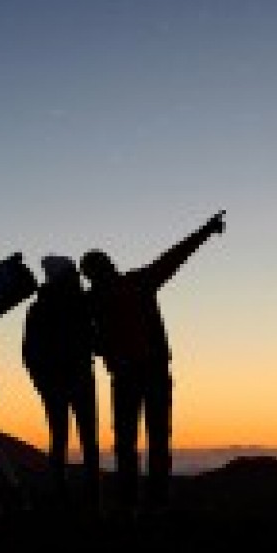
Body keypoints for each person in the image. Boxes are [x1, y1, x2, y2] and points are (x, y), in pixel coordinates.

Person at [79, 210, 225, 517]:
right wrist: (207, 230)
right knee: (156, 439)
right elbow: (174, 257)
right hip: (152, 373)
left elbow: (87, 340)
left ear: (90, 274)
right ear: (109, 266)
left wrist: (104, 349)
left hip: (127, 376)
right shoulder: (137, 282)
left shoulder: (92, 302)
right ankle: (156, 502)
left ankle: (129, 503)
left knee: (128, 442)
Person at [22, 254, 100, 511]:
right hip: (77, 380)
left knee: (60, 439)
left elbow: (29, 353)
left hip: (57, 384)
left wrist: (43, 384)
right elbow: (93, 339)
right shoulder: (82, 304)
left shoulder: (38, 308)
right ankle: (91, 498)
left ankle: (62, 496)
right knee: (87, 440)